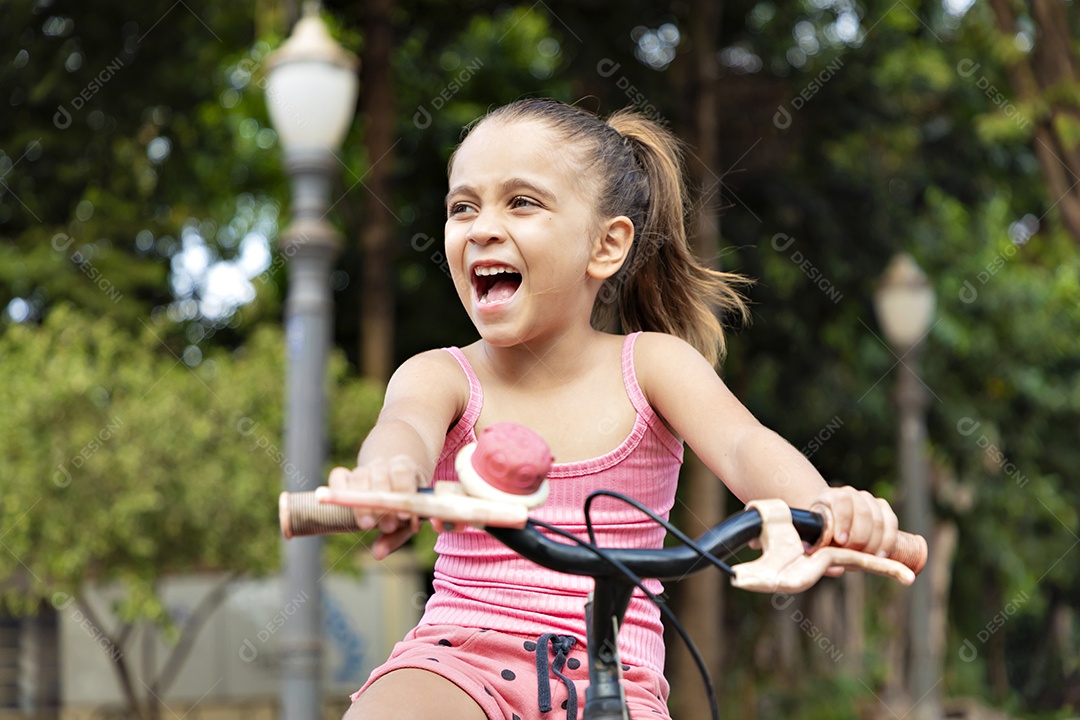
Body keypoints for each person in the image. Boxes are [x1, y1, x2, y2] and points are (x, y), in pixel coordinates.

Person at [332, 98, 899, 720]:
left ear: (606, 246)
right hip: (457, 658)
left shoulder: (653, 365)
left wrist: (822, 505)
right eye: (463, 206)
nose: (482, 226)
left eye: (521, 202)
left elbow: (744, 444)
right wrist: (387, 474)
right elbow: (403, 429)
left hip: (615, 672)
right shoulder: (442, 375)